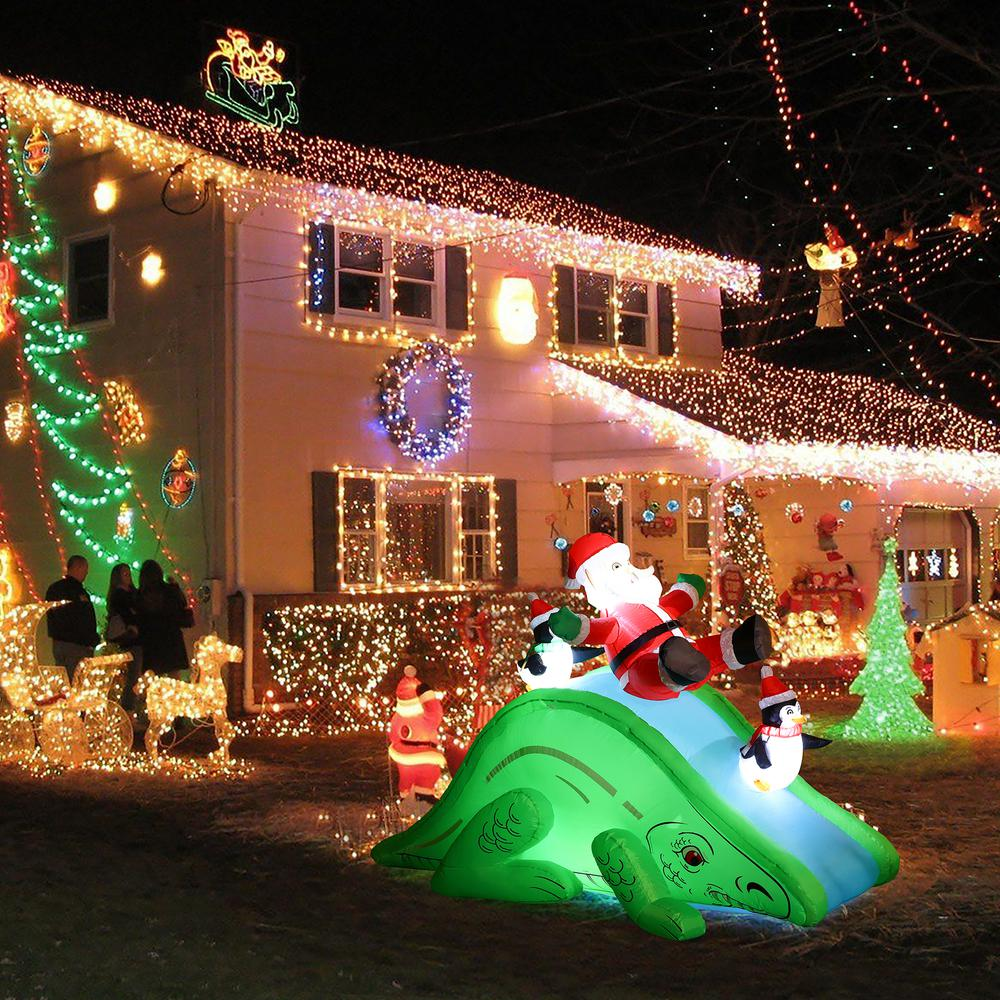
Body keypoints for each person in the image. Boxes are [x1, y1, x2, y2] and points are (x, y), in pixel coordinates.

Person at [45, 555, 99, 681]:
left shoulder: (54, 589)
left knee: (64, 681)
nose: (86, 574)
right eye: (85, 570)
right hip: (77, 645)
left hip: (59, 643)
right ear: (78, 568)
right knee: (76, 682)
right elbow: (81, 619)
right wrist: (90, 639)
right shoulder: (77, 591)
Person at [137, 559, 193, 677]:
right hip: (171, 638)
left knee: (153, 677)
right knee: (174, 676)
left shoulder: (140, 595)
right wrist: (175, 586)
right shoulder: (170, 590)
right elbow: (181, 604)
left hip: (151, 641)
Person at [106, 563, 142, 711]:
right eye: (125, 574)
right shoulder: (120, 595)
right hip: (130, 638)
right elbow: (126, 613)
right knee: (134, 674)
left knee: (136, 674)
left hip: (135, 637)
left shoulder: (132, 592)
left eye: (129, 573)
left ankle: (132, 707)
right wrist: (132, 623)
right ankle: (128, 708)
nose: (128, 576)